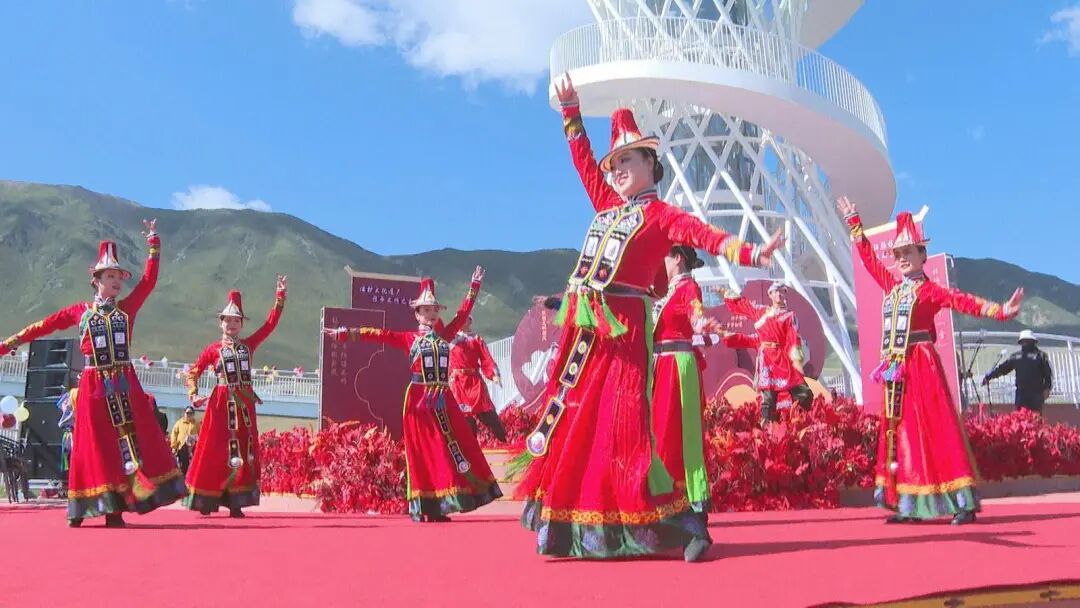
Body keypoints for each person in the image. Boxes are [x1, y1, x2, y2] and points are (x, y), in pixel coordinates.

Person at [514, 74, 781, 562]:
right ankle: (582, 525)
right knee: (582, 421)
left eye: (627, 160)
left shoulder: (661, 216)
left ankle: (683, 524)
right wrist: (571, 113)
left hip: (627, 332)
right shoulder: (608, 207)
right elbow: (583, 164)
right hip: (590, 334)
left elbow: (704, 235)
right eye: (614, 163)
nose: (617, 169)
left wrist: (752, 253)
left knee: (626, 430)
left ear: (650, 164)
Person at [838, 197, 1023, 525]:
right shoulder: (893, 288)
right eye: (898, 254)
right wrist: (855, 222)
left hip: (922, 366)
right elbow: (869, 260)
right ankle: (909, 505)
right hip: (897, 370)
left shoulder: (930, 291)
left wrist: (1001, 311)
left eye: (908, 252)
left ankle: (962, 502)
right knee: (904, 435)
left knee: (937, 429)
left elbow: (962, 301)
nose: (902, 259)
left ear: (923, 255)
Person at [1, 221, 186, 527]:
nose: (116, 281)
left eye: (119, 276)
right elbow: (44, 325)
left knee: (126, 442)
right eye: (110, 276)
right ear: (96, 280)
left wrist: (154, 245)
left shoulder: (126, 309)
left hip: (124, 384)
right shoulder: (81, 312)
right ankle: (80, 508)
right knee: (92, 443)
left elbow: (148, 283)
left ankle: (115, 509)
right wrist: (9, 344)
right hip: (93, 384)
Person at [324, 268, 502, 523]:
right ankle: (424, 505)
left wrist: (474, 286)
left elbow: (462, 315)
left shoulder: (444, 336)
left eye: (434, 310)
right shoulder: (409, 339)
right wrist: (346, 333)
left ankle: (441, 503)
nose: (431, 314)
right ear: (417, 313)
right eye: (426, 310)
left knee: (451, 447)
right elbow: (380, 334)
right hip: (419, 401)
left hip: (443, 399)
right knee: (424, 451)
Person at [184, 277, 286, 517]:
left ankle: (236, 501)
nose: (231, 324)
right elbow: (194, 372)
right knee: (214, 449)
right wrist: (193, 394)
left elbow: (269, 325)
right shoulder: (213, 350)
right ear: (221, 323)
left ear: (241, 324)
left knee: (241, 449)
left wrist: (280, 298)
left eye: (236, 320)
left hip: (243, 405)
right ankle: (206, 500)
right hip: (220, 404)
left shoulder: (248, 346)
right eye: (227, 320)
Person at [651, 245, 724, 528]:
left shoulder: (689, 287)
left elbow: (696, 315)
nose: (661, 263)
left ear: (678, 259)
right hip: (660, 365)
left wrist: (703, 324)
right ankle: (665, 497)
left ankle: (693, 498)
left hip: (678, 366)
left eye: (665, 257)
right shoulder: (663, 292)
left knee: (683, 433)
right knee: (661, 432)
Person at [720, 281, 812, 422]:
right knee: (768, 398)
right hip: (767, 359)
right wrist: (727, 293)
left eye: (782, 291)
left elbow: (793, 339)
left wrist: (796, 360)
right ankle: (767, 427)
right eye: (776, 292)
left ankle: (798, 421)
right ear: (770, 295)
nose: (779, 294)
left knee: (803, 393)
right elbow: (746, 307)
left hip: (782, 359)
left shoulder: (789, 316)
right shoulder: (762, 312)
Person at [450, 315, 507, 441]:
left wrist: (494, 374)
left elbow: (486, 358)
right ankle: (471, 446)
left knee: (487, 413)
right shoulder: (450, 339)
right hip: (458, 384)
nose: (460, 322)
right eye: (458, 319)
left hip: (474, 382)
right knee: (465, 418)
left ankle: (503, 439)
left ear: (469, 321)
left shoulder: (476, 339)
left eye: (464, 319)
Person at [982, 329, 1053, 413]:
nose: (1026, 343)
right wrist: (989, 376)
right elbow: (1003, 369)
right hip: (1021, 394)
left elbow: (1048, 374)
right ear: (1021, 342)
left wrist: (1047, 388)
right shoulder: (1016, 357)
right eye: (1024, 341)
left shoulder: (1041, 356)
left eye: (1028, 341)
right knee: (1019, 417)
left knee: (1035, 416)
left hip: (1036, 394)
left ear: (1033, 342)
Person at [170, 406, 199, 475]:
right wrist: (174, 446)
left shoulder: (196, 424)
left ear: (193, 414)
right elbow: (174, 434)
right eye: (187, 413)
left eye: (191, 413)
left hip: (192, 450)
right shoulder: (179, 423)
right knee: (182, 467)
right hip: (181, 449)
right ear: (184, 413)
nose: (189, 415)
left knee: (192, 468)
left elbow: (201, 435)